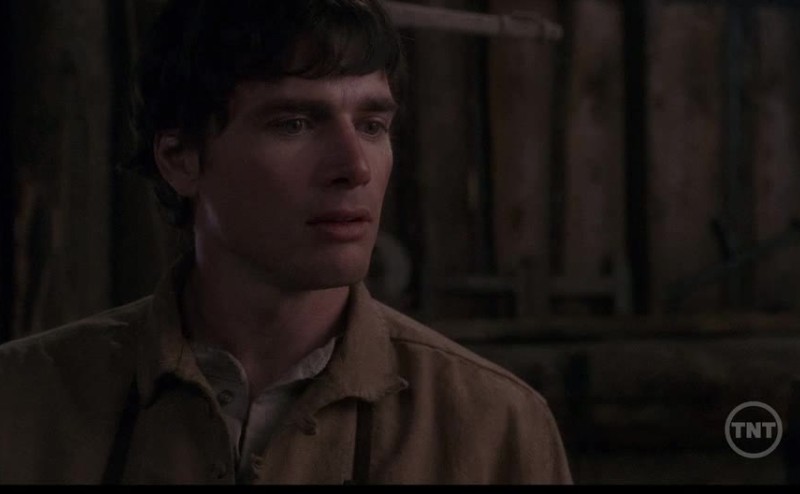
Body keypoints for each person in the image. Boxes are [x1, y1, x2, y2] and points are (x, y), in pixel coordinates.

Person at [0, 0, 573, 485]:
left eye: (372, 125)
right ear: (181, 159)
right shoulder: (23, 399)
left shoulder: (494, 426)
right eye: (293, 123)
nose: (354, 167)